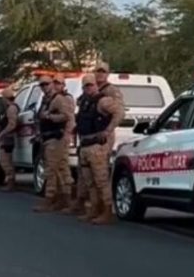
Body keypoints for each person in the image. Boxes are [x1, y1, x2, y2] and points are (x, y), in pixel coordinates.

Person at [75, 74, 125, 224]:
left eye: (91, 85)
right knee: (89, 182)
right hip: (85, 144)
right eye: (86, 86)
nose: (88, 88)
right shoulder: (84, 102)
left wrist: (108, 130)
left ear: (96, 85)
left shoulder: (103, 101)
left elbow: (120, 113)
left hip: (97, 146)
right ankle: (94, 209)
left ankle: (107, 211)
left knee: (101, 181)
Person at [33, 74, 75, 213]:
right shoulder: (46, 99)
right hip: (48, 137)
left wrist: (49, 116)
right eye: (42, 85)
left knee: (51, 169)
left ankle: (50, 198)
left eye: (47, 84)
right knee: (60, 169)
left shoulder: (59, 99)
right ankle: (64, 200)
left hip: (56, 138)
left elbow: (67, 116)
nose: (44, 87)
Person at [0, 87, 20, 192]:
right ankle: (10, 180)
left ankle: (11, 181)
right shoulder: (10, 108)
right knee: (5, 160)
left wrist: (2, 134)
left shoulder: (11, 109)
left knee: (5, 161)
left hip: (8, 138)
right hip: (7, 137)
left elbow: (12, 124)